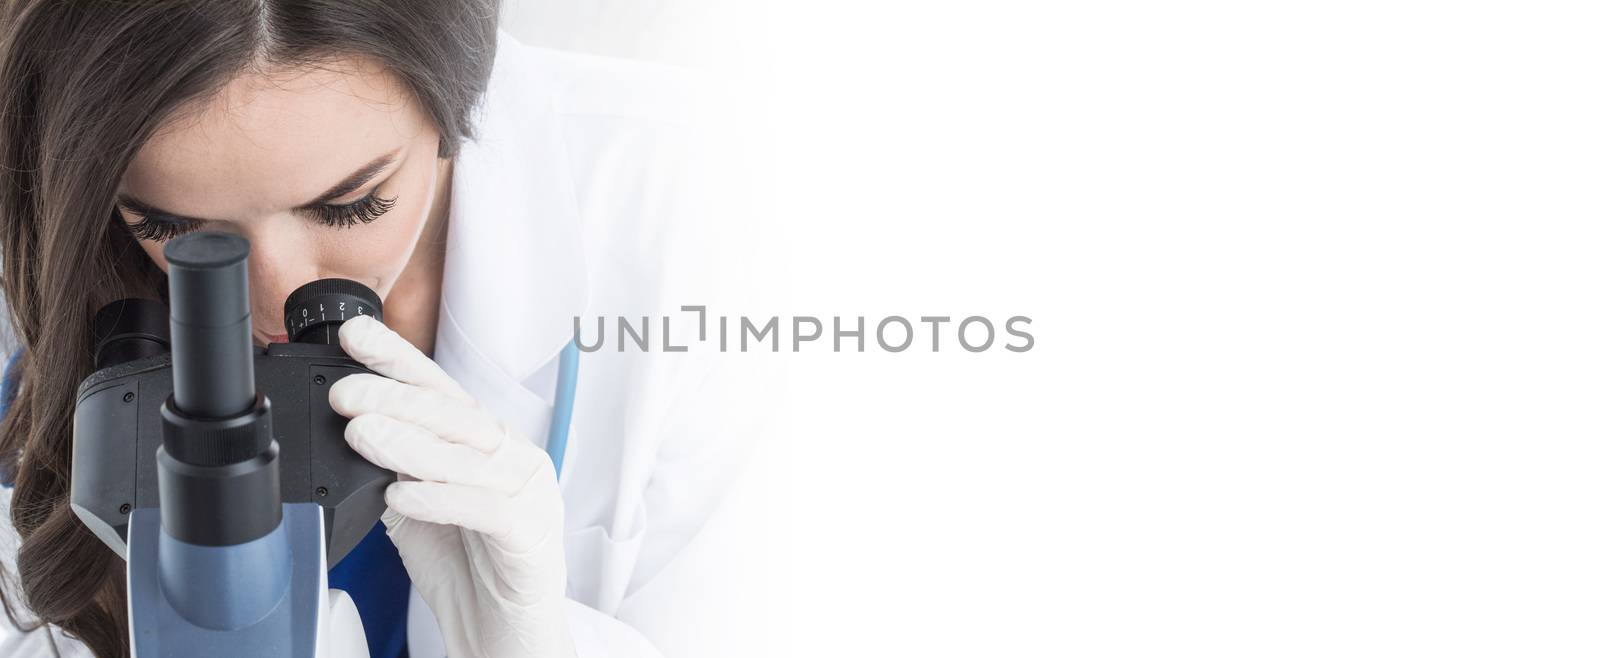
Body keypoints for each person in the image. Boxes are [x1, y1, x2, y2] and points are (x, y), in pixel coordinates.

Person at [0, 1, 748, 656]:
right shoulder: (74, 340)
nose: (276, 295)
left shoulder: (702, 208)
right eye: (172, 228)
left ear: (458, 105)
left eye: (350, 205)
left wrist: (533, 644)